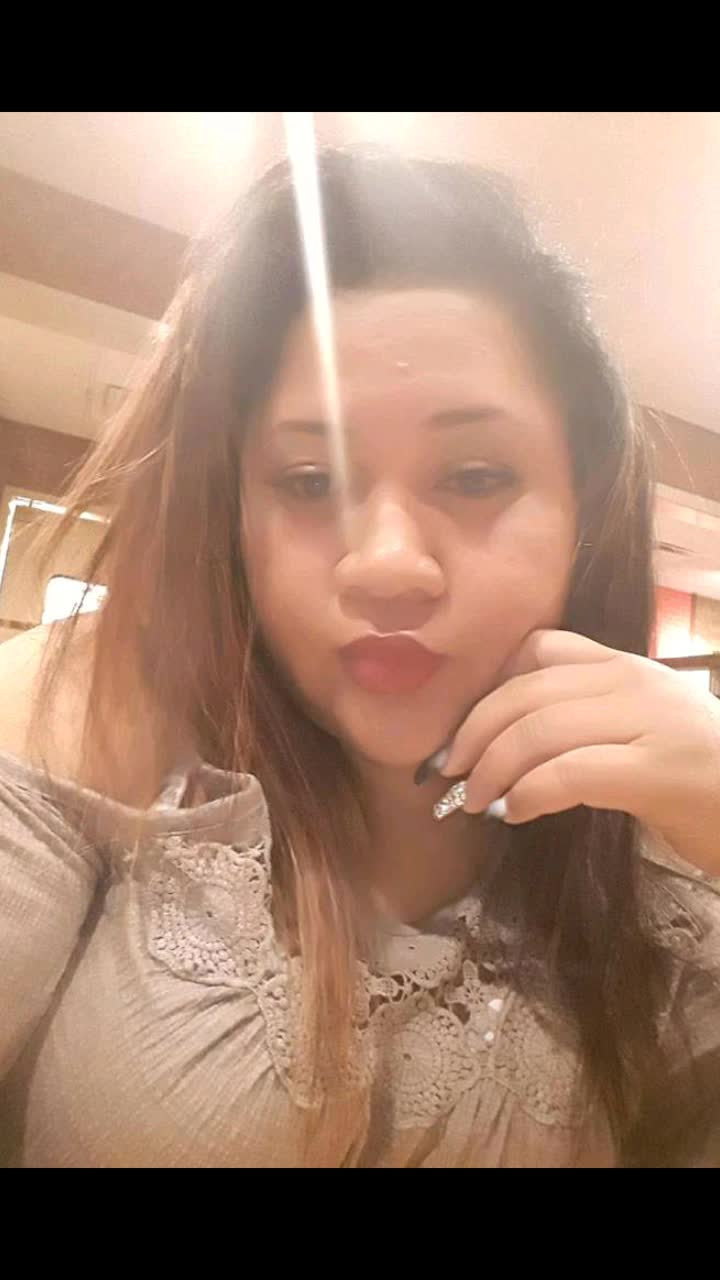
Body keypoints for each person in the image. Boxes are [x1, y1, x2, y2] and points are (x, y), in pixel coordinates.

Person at [1, 147, 719, 1168]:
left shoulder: (669, 884)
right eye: (307, 480)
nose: (387, 565)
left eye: (475, 475)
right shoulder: (114, 723)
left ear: (586, 515)